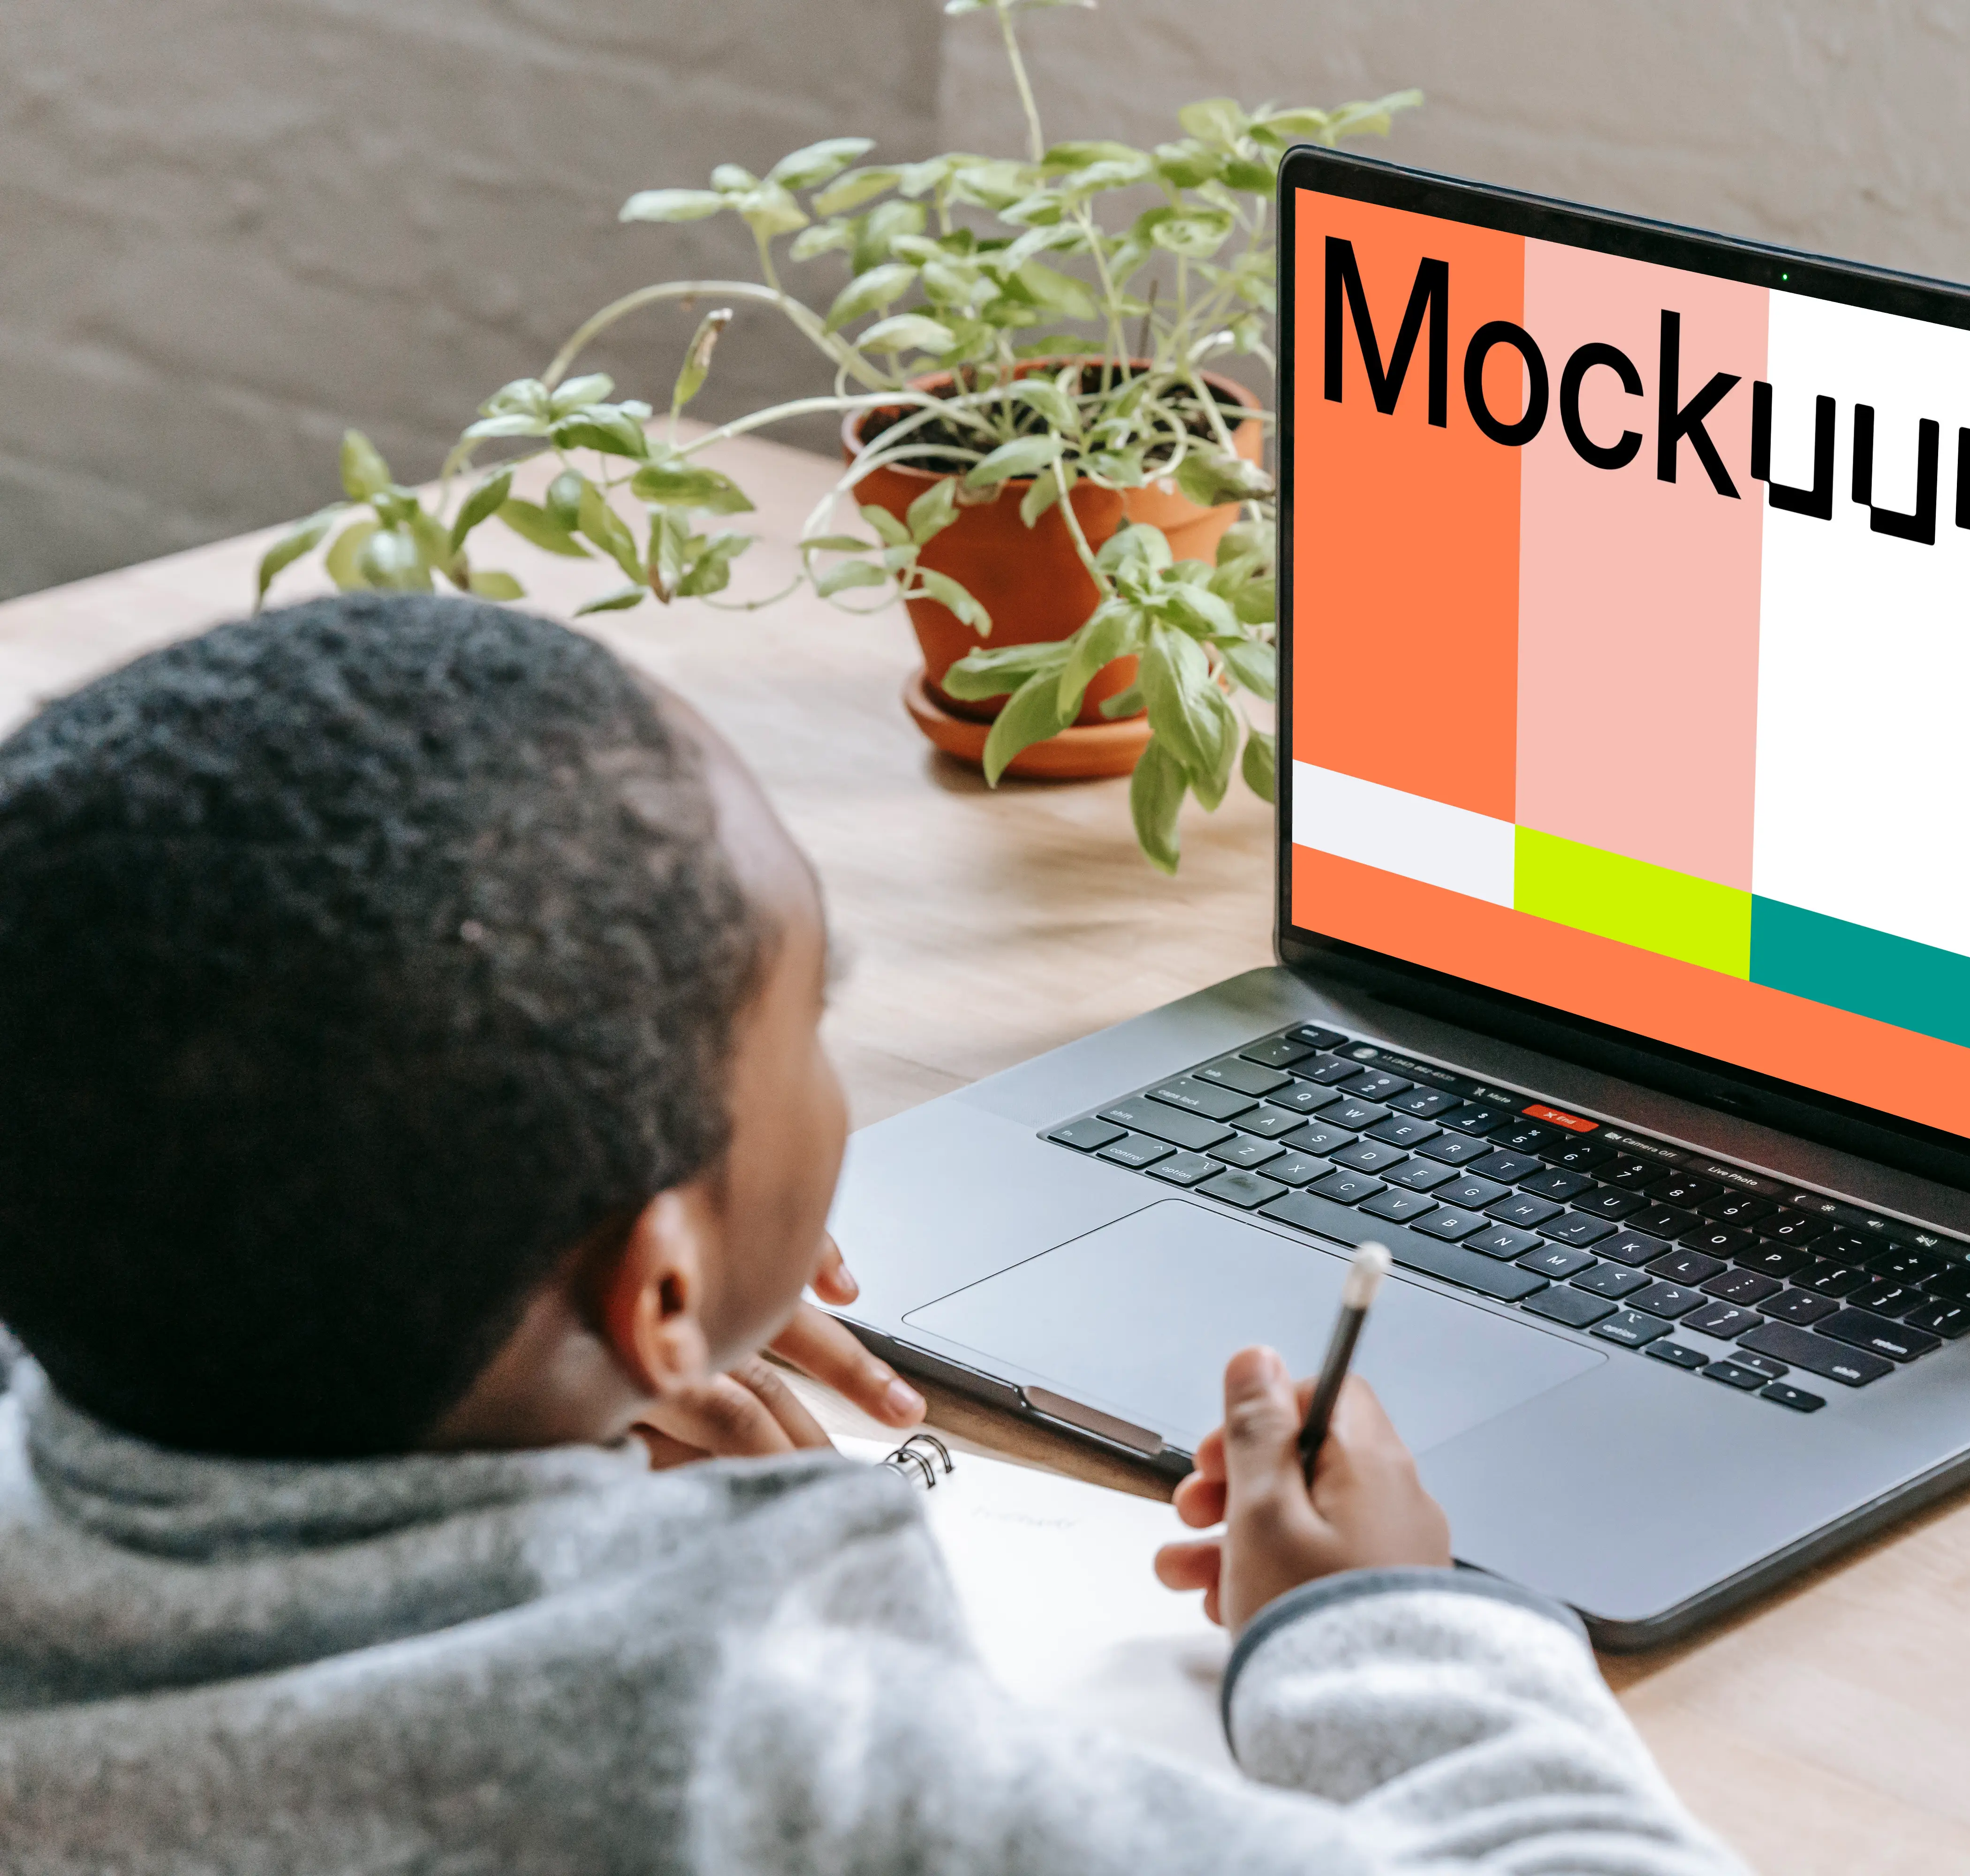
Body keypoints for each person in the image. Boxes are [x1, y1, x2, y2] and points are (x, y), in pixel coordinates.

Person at [0, 594, 1743, 1876]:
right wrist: (1368, 1631)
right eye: (811, 1011)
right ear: (659, 1289)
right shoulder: (774, 1778)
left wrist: (563, 1359)